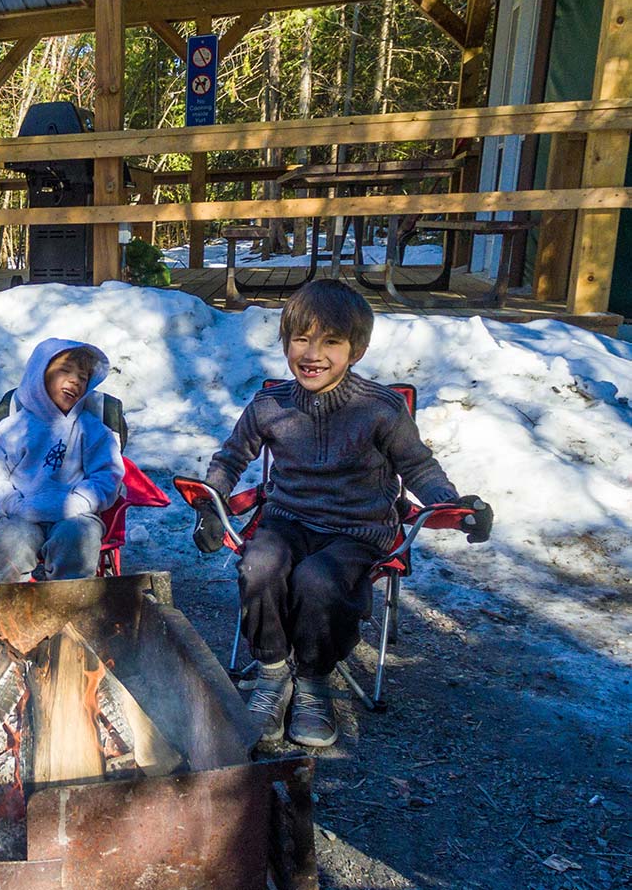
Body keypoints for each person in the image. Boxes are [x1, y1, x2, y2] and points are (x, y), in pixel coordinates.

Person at [193, 280, 492, 747]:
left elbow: (418, 466)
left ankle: (312, 679)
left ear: (357, 349)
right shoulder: (270, 404)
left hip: (357, 528)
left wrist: (450, 504)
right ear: (285, 342)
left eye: (330, 341)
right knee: (259, 565)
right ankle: (273, 671)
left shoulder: (380, 408)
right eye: (301, 339)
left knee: (318, 581)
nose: (312, 353)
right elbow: (231, 459)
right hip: (286, 519)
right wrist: (209, 503)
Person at [0, 338, 125, 584]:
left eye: (83, 377)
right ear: (40, 374)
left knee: (80, 538)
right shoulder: (12, 428)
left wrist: (80, 502)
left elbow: (107, 475)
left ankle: (71, 606)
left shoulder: (92, 429)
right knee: (9, 544)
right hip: (20, 513)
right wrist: (14, 504)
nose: (75, 380)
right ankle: (5, 605)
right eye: (65, 370)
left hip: (75, 514)